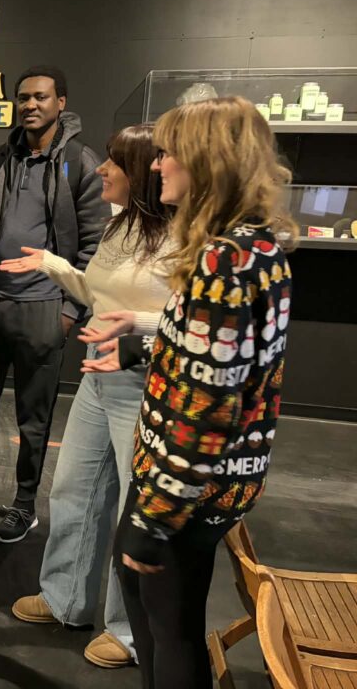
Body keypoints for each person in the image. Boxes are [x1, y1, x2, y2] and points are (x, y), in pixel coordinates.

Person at [110, 97, 293, 689]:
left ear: (206, 162)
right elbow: (225, 360)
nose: (157, 165)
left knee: (171, 631)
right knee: (163, 620)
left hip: (187, 489)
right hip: (212, 483)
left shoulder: (223, 259)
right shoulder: (257, 248)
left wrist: (155, 517)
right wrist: (145, 349)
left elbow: (207, 413)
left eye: (168, 154)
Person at [4, 125, 172, 668]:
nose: (99, 170)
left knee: (134, 510)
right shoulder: (121, 224)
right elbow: (98, 293)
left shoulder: (189, 238)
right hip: (98, 381)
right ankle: (65, 598)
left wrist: (138, 326)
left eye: (113, 162)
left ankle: (127, 631)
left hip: (146, 384)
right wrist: (55, 267)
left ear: (144, 170)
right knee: (74, 492)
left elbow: (198, 321)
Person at [0, 65, 108, 543]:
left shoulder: (81, 162)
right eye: (24, 97)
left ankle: (24, 503)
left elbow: (94, 244)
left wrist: (72, 311)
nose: (30, 105)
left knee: (35, 417)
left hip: (44, 308)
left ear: (61, 103)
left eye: (41, 97)